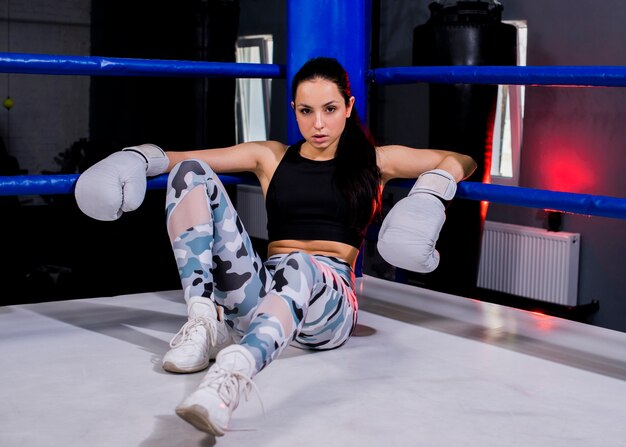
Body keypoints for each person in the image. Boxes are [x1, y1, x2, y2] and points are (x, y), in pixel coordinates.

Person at [74, 56, 477, 436]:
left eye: (330, 109)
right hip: (265, 293)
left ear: (349, 106)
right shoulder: (271, 157)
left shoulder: (375, 160)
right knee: (190, 173)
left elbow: (460, 158)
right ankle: (203, 319)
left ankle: (231, 377)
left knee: (301, 263)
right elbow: (181, 159)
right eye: (306, 111)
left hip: (328, 305)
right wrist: (137, 159)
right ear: (294, 109)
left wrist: (431, 191)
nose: (318, 123)